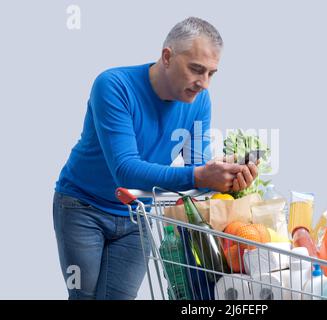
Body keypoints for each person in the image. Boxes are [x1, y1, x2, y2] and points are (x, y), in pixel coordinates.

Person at [53, 17, 258, 300]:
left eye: (212, 73)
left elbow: (196, 174)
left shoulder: (199, 102)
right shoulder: (113, 86)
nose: (204, 83)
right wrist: (201, 175)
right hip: (83, 207)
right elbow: (125, 170)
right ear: (167, 57)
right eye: (196, 69)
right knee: (83, 297)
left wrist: (225, 175)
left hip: (137, 215)